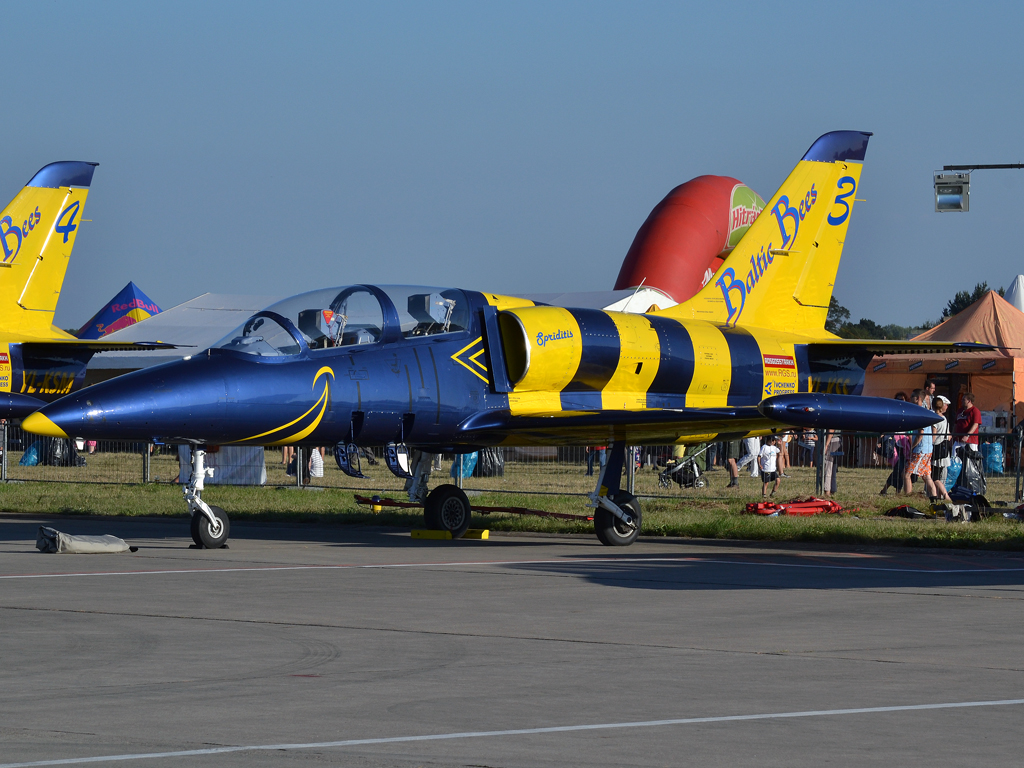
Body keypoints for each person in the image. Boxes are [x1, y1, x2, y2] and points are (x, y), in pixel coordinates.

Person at [904, 389, 939, 498]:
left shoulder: (919, 413)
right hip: (928, 449)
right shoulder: (927, 412)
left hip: (920, 449)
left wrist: (912, 447)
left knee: (906, 474)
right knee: (926, 475)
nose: (910, 399)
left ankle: (908, 497)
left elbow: (920, 433)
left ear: (918, 398)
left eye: (912, 397)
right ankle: (934, 497)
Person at [930, 395, 952, 500]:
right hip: (944, 450)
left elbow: (933, 436)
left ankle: (945, 495)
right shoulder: (945, 419)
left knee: (935, 478)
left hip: (936, 450)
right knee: (939, 476)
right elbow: (948, 435)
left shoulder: (935, 420)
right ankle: (939, 496)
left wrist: (930, 444)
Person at [954, 392, 982, 457]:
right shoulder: (959, 411)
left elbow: (975, 424)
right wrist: (953, 436)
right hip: (958, 440)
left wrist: (967, 435)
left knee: (970, 462)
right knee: (955, 459)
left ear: (969, 401)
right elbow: (956, 424)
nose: (961, 401)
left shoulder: (975, 411)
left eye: (963, 399)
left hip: (970, 441)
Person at [821, 429, 841, 498]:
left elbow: (831, 430)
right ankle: (833, 488)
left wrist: (826, 445)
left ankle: (827, 491)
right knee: (833, 467)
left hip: (832, 441)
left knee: (828, 466)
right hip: (838, 440)